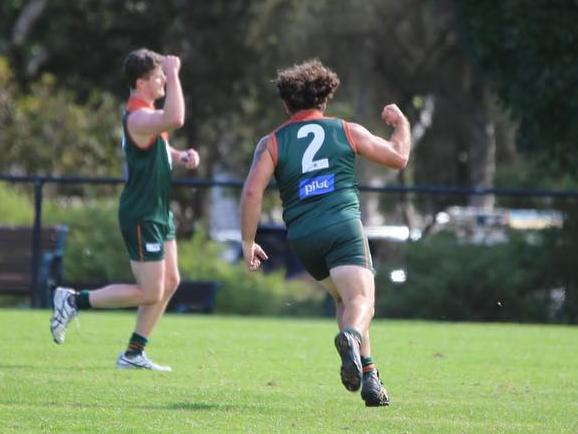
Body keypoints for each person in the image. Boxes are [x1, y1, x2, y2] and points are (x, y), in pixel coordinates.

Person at [240, 59, 411, 406]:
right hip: (342, 226)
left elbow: (252, 192)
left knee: (343, 299)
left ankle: (371, 380)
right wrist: (402, 123)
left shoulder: (271, 142)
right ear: (324, 99)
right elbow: (398, 157)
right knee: (362, 303)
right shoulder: (346, 130)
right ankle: (350, 337)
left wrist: (247, 241)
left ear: (286, 104)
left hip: (304, 237)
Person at [50, 48, 200, 371]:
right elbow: (175, 118)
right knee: (150, 291)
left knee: (170, 281)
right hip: (142, 214)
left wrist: (178, 155)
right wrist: (174, 73)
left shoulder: (146, 116)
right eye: (158, 76)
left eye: (163, 75)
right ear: (142, 81)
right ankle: (73, 300)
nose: (162, 80)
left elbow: (158, 143)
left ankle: (133, 353)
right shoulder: (138, 116)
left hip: (158, 211)